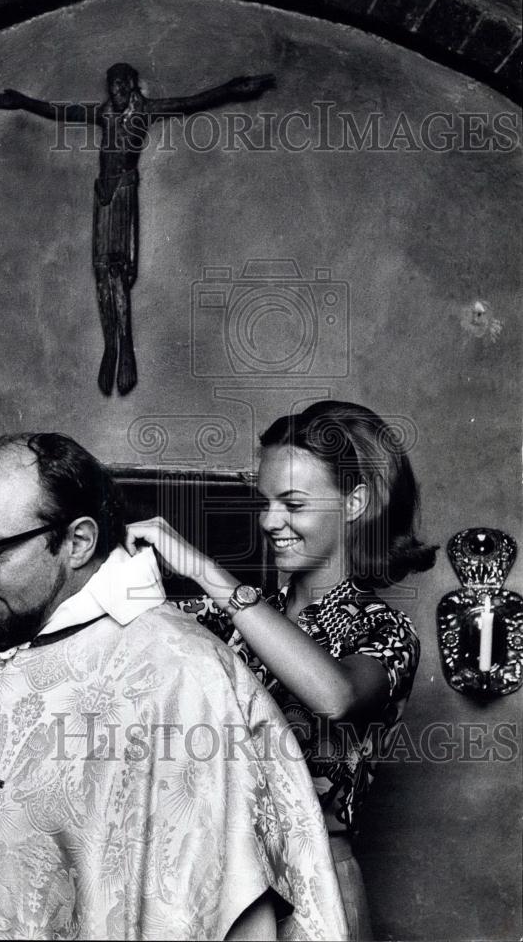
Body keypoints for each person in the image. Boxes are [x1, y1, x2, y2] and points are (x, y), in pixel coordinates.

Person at [0, 431, 348, 940]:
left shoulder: (180, 674)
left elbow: (195, 894)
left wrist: (203, 572)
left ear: (78, 542)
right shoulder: (15, 631)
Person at [126, 400, 438, 941]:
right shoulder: (231, 618)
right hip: (220, 886)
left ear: (355, 503)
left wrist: (203, 569)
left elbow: (334, 694)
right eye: (265, 502)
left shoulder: (386, 631)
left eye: (292, 503)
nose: (270, 521)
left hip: (315, 888)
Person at [0, 65, 275, 396]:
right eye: (112, 84)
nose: (117, 89)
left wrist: (234, 87)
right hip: (103, 194)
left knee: (119, 269)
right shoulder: (104, 114)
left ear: (133, 84)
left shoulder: (146, 110)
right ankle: (111, 345)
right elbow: (60, 111)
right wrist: (23, 101)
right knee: (101, 272)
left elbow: (193, 102)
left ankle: (125, 349)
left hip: (124, 191)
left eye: (122, 82)